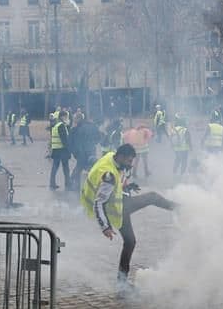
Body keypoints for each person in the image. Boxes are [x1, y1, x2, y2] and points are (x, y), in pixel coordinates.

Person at [80, 144, 176, 295]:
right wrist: (105, 227)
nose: (131, 164)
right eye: (129, 161)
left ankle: (122, 284)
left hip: (118, 206)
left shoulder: (111, 158)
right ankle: (180, 209)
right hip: (117, 210)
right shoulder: (109, 176)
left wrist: (126, 187)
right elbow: (98, 202)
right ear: (121, 157)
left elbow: (115, 183)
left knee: (130, 242)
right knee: (152, 197)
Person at [69, 113, 102, 191]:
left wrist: (75, 153)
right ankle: (91, 186)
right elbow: (98, 137)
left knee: (79, 167)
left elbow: (72, 142)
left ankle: (74, 185)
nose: (74, 121)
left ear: (79, 119)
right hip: (91, 151)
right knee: (91, 168)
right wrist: (93, 144)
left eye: (75, 119)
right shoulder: (93, 126)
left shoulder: (77, 128)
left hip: (81, 152)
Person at [49, 111, 71, 190]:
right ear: (62, 117)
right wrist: (68, 150)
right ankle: (68, 183)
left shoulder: (56, 125)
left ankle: (52, 183)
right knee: (66, 168)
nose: (67, 118)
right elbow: (64, 140)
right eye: (66, 116)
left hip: (56, 149)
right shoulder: (61, 126)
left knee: (55, 167)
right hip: (62, 150)